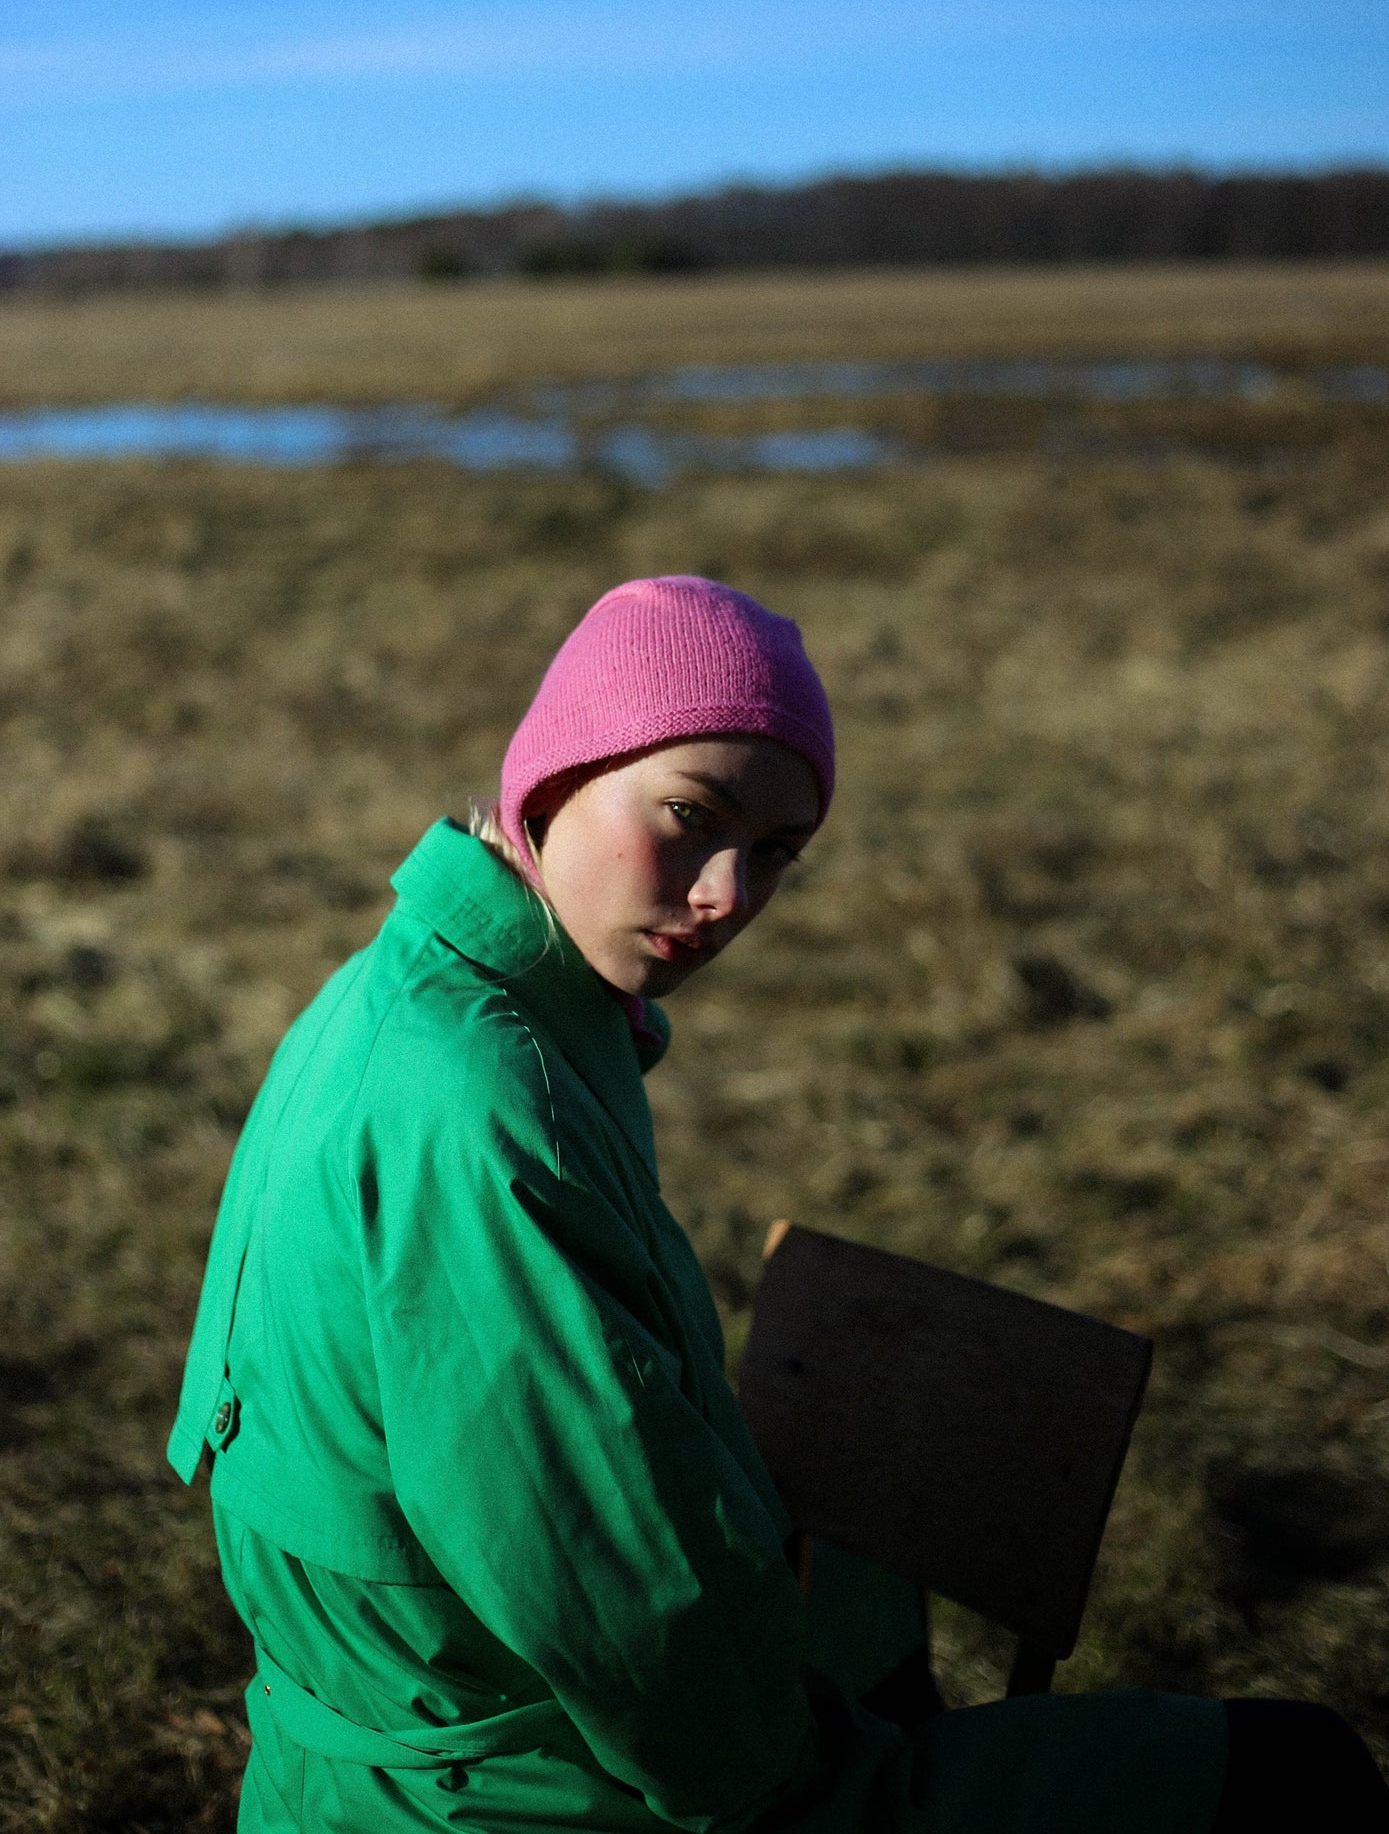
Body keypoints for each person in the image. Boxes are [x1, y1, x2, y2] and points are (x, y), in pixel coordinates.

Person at [169, 575, 1388, 1833]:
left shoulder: (410, 986)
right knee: (1297, 1773)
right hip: (519, 1795)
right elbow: (611, 1592)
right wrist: (801, 1773)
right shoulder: (487, 1105)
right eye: (691, 815)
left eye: (773, 854)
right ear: (553, 773)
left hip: (384, 1756)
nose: (727, 895)